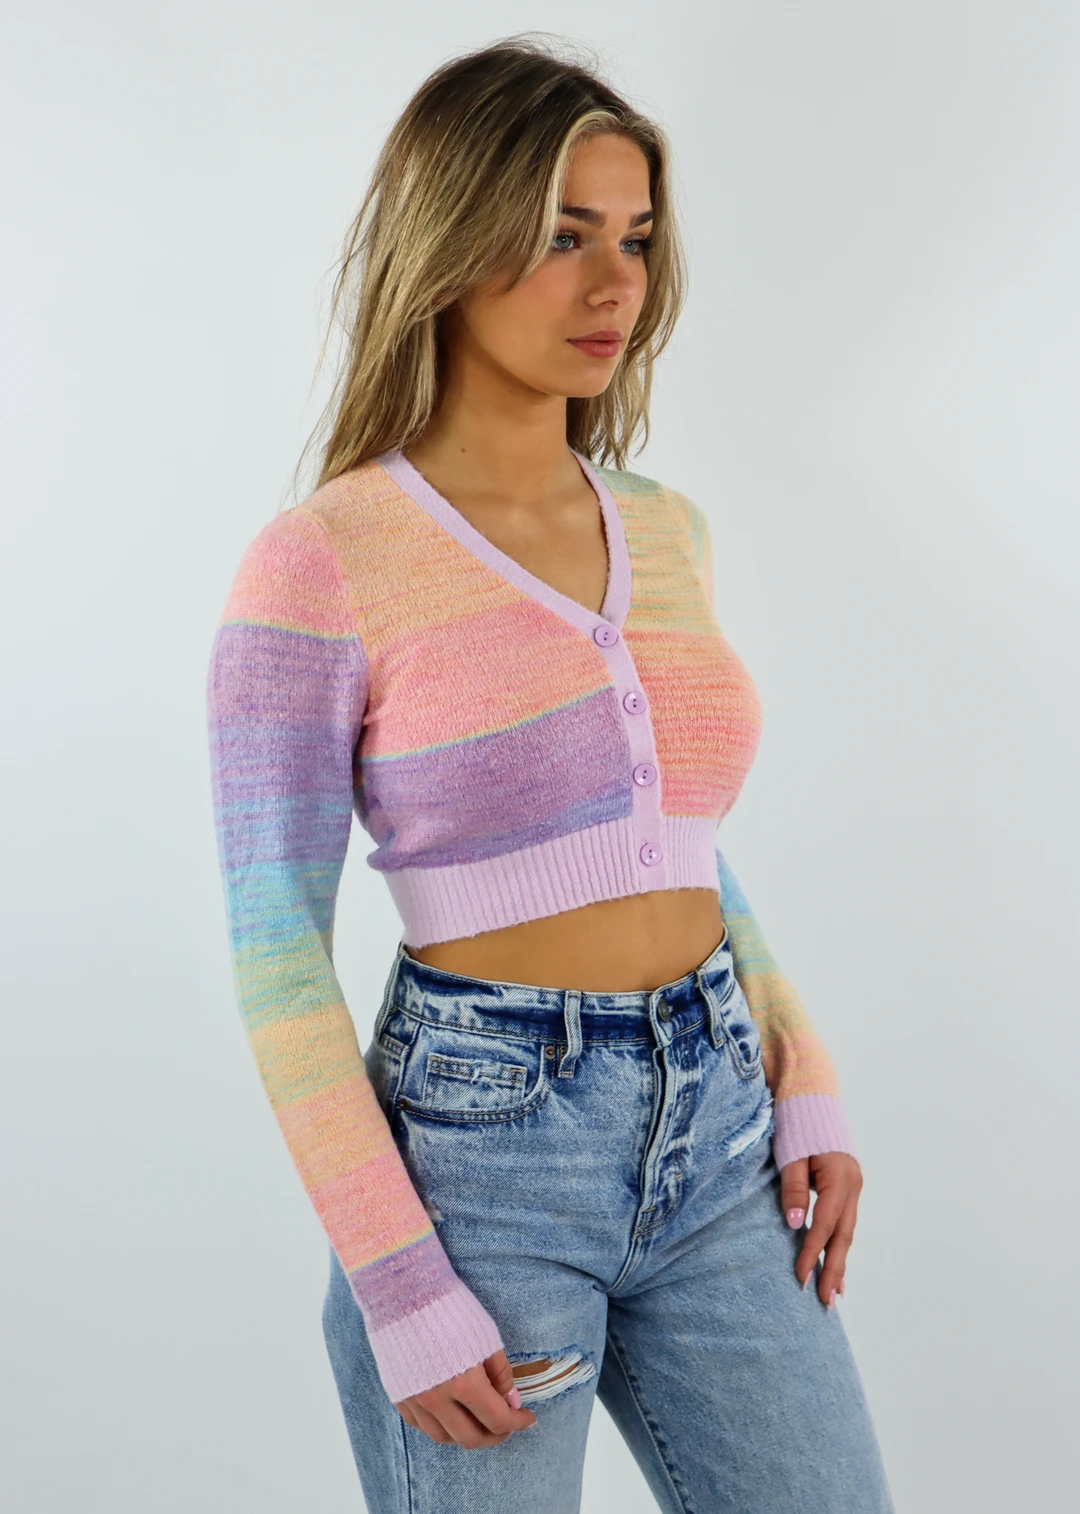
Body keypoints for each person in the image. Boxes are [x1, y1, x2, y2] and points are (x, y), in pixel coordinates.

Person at [206, 34, 894, 1514]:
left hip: (723, 1130)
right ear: (452, 246)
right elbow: (274, 950)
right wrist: (396, 1278)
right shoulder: (321, 562)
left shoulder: (668, 529)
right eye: (563, 236)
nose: (614, 285)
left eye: (635, 239)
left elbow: (674, 843)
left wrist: (805, 1070)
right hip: (482, 1164)